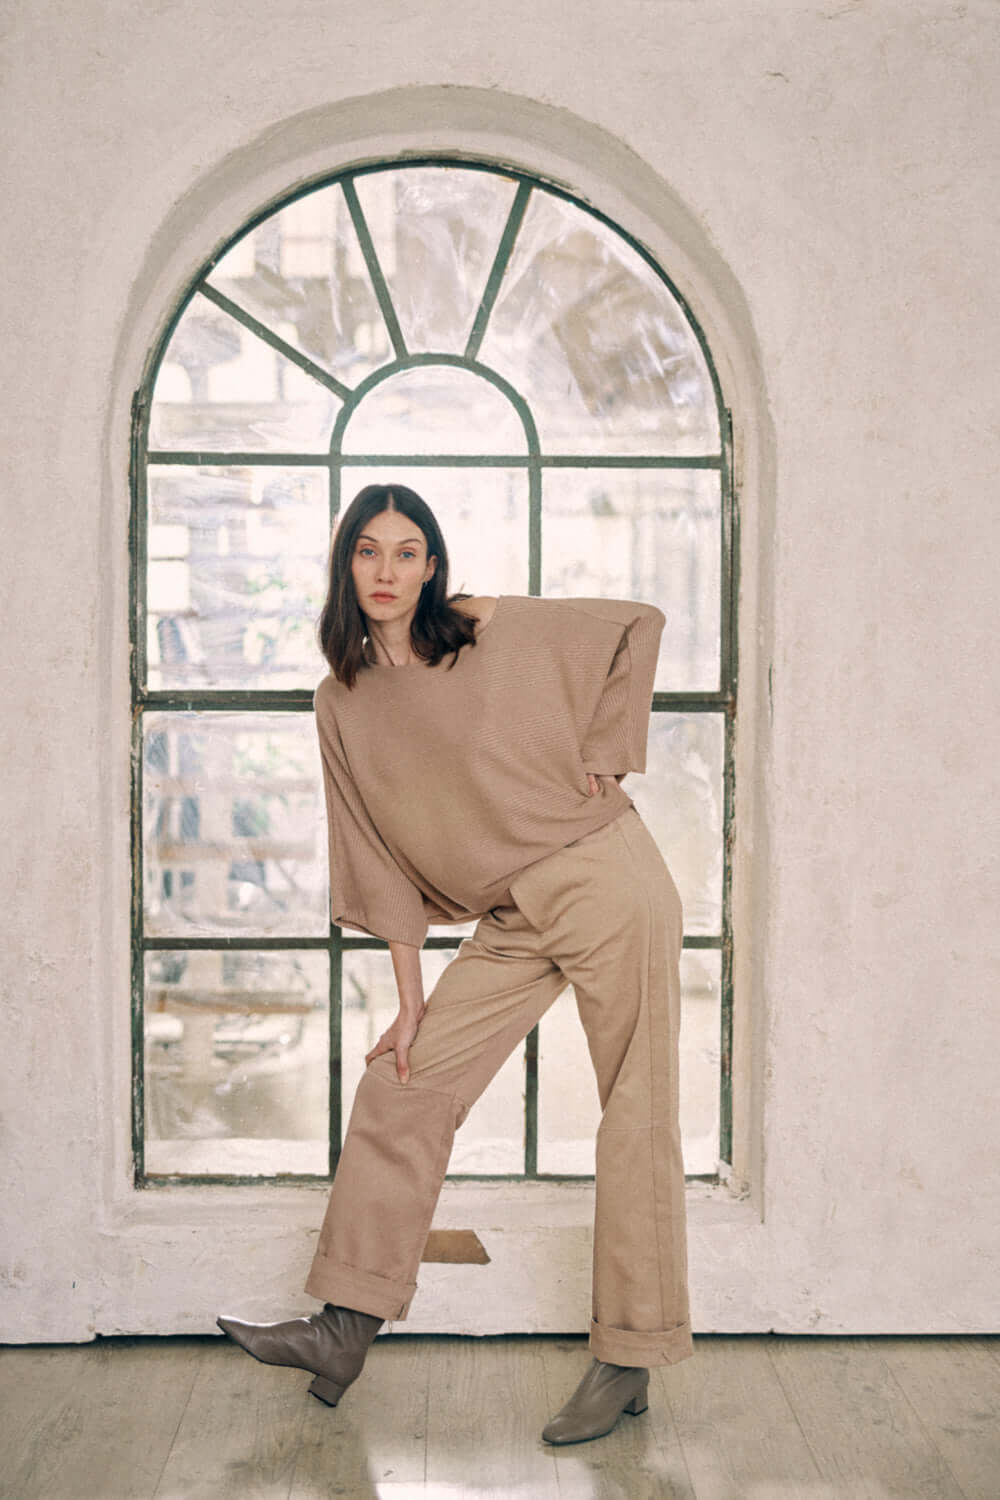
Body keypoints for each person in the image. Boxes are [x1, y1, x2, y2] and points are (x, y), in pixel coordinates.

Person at [217, 482, 694, 1445]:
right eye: (367, 552)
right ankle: (342, 1328)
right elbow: (374, 856)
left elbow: (632, 625)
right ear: (344, 565)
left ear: (432, 565)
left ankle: (629, 1358)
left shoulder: (484, 627)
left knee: (634, 1117)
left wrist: (607, 747)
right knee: (405, 1083)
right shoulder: (340, 701)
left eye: (406, 552)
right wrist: (409, 1001)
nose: (386, 571)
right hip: (512, 914)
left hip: (605, 879)